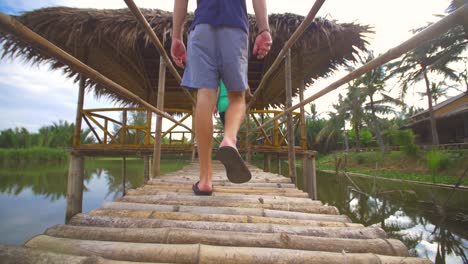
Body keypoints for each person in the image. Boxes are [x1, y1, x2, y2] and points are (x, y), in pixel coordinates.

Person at [171, 0, 272, 195]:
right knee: (237, 96)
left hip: (202, 28)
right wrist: (263, 29)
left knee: (204, 95)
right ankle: (229, 139)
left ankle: (205, 180)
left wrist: (176, 36)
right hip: (234, 26)